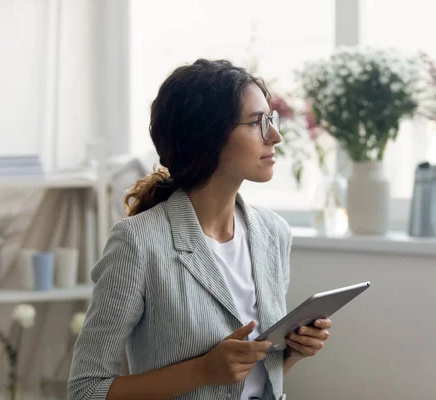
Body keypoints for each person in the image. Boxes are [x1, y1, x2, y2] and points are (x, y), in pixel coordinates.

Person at [68, 59, 333, 400]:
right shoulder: (138, 243)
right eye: (257, 123)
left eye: (272, 120)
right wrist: (202, 371)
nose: (276, 136)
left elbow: (250, 381)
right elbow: (86, 390)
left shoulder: (273, 233)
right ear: (208, 137)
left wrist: (292, 352)